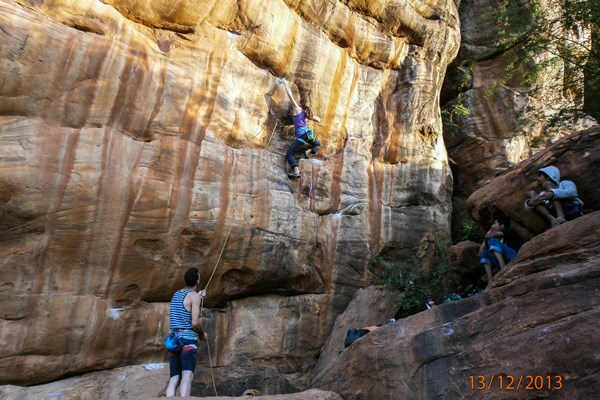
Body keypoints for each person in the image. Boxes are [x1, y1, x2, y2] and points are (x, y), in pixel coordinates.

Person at [265, 78, 321, 178]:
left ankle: (296, 171)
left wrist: (285, 84)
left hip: (301, 137)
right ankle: (309, 153)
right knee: (317, 144)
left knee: (289, 154)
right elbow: (318, 119)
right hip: (309, 135)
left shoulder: (297, 109)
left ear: (300, 104)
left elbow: (290, 95)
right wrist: (315, 118)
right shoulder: (306, 113)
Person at [166, 267, 208, 397]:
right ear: (198, 280)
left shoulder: (176, 294)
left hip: (173, 341)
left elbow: (185, 302)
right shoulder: (194, 297)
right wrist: (202, 335)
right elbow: (195, 323)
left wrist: (199, 296)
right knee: (187, 376)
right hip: (187, 341)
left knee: (174, 379)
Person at [479, 216, 525, 289]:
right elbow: (480, 253)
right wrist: (486, 238)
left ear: (502, 225)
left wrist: (489, 233)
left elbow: (490, 236)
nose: (492, 226)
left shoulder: (509, 230)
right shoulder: (501, 240)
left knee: (492, 240)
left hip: (516, 257)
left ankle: (503, 268)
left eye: (495, 223)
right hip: (507, 260)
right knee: (485, 252)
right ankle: (490, 281)